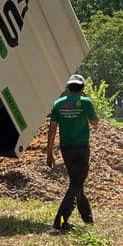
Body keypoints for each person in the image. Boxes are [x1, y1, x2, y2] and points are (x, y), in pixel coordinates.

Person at [46, 73, 99, 231]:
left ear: (68, 88)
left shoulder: (58, 103)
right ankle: (60, 221)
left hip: (66, 149)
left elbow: (52, 129)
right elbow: (95, 123)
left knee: (77, 183)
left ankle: (87, 217)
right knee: (75, 185)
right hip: (81, 149)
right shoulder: (85, 102)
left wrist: (49, 152)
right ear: (82, 88)